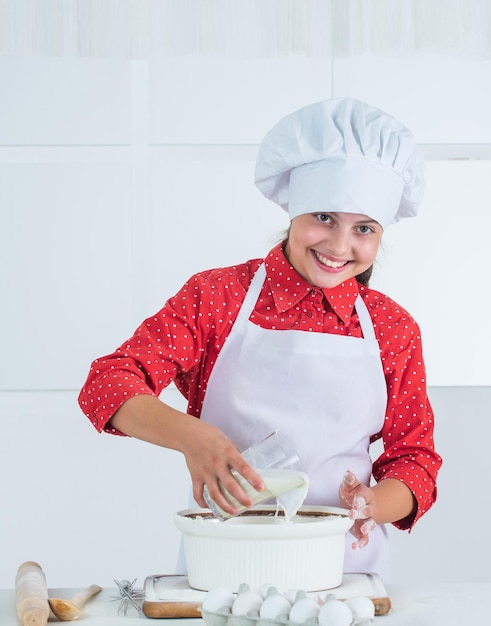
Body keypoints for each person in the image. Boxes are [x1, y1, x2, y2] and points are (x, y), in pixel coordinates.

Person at [79, 98, 441, 580]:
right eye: (324, 217)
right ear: (292, 211)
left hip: (343, 573)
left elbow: (414, 460)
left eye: (364, 228)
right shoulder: (217, 297)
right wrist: (195, 438)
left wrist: (375, 504)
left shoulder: (393, 328)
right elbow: (108, 383)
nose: (338, 246)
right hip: (226, 566)